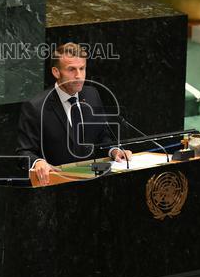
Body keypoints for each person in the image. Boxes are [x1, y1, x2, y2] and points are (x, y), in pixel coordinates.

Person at [16, 43, 131, 186]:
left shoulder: (92, 94)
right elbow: (24, 152)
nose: (79, 75)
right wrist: (38, 162)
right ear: (56, 72)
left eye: (82, 68)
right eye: (71, 70)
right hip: (57, 185)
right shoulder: (35, 106)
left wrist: (113, 151)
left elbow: (102, 135)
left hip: (95, 180)